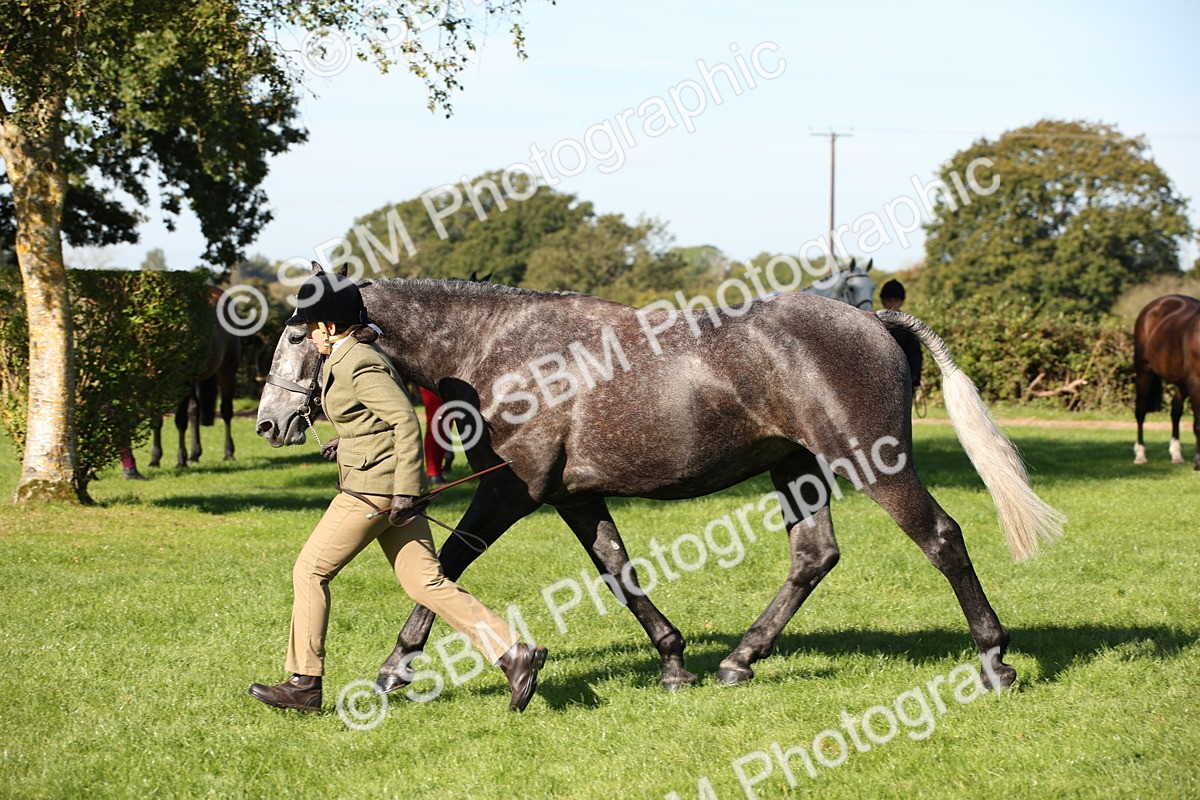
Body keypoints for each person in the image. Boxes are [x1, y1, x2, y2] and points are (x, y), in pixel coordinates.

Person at [249, 271, 546, 713]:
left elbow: (405, 422)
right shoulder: (350, 355)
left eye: (312, 327)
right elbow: (373, 420)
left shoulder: (357, 361)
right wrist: (346, 440)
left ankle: (304, 682)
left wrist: (408, 492)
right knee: (426, 582)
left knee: (310, 572)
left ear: (329, 326)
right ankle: (511, 652)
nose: (311, 336)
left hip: (372, 493)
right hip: (386, 487)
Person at [880, 279, 923, 393]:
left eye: (896, 301)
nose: (892, 304)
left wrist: (915, 376)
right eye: (889, 301)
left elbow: (915, 353)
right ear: (883, 301)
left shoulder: (907, 326)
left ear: (901, 302)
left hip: (903, 379)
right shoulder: (875, 323)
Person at [419, 386, 453, 485]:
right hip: (432, 382)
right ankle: (432, 472)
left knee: (446, 424)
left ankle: (438, 471)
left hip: (448, 381)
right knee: (435, 424)